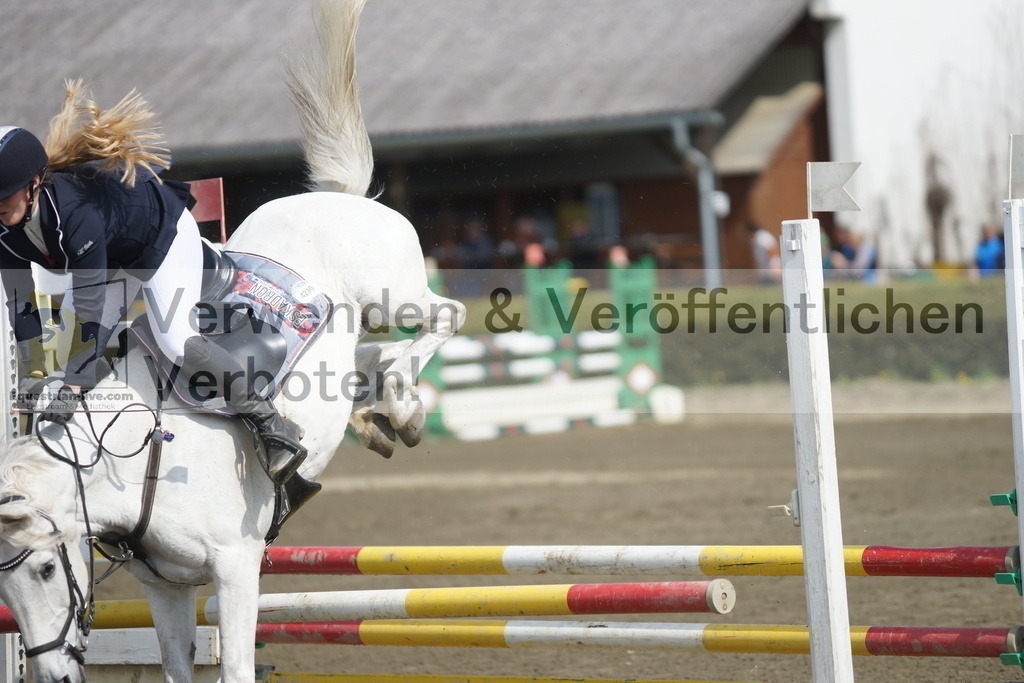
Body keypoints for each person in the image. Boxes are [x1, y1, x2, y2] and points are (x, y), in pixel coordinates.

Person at [0, 84, 304, 483]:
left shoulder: (73, 213)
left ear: (36, 182)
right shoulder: (5, 231)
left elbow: (90, 305)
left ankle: (272, 425)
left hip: (160, 239)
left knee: (175, 341)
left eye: (4, 194)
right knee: (57, 359)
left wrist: (73, 384)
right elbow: (21, 305)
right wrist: (33, 378)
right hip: (111, 261)